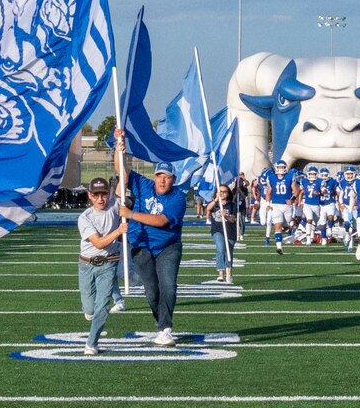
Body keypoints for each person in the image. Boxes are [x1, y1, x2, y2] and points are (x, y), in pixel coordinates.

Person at [119, 147, 188, 346]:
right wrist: (119, 150)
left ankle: (165, 328)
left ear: (173, 179)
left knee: (169, 286)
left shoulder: (178, 197)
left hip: (168, 246)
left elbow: (161, 220)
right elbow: (122, 171)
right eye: (159, 176)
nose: (162, 180)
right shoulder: (143, 184)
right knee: (151, 292)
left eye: (166, 177)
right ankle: (161, 320)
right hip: (141, 246)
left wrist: (131, 214)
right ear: (154, 176)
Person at [77, 176, 127, 354]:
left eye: (103, 194)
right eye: (96, 195)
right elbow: (98, 243)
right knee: (90, 309)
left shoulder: (114, 205)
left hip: (109, 264)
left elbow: (124, 179)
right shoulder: (84, 218)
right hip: (86, 265)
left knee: (103, 306)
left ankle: (92, 343)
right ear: (89, 195)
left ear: (108, 194)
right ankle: (90, 313)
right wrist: (118, 232)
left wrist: (121, 150)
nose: (100, 199)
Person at [205, 182, 240, 284]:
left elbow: (233, 219)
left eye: (225, 192)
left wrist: (226, 216)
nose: (222, 194)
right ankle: (220, 273)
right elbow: (208, 208)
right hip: (217, 230)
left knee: (228, 252)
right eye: (220, 192)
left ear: (228, 193)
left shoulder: (232, 205)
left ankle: (229, 271)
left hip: (230, 231)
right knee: (220, 248)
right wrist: (216, 199)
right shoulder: (215, 204)